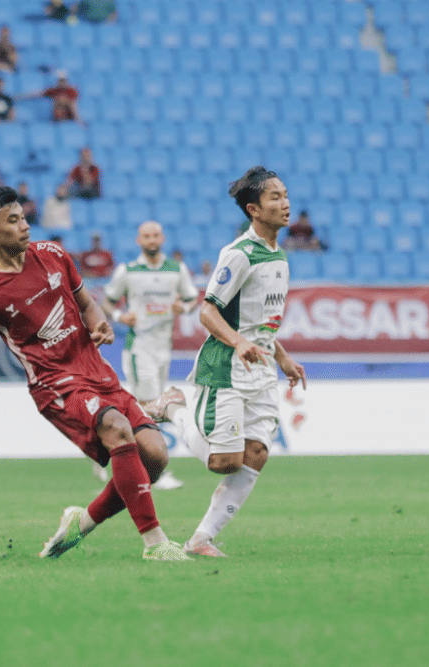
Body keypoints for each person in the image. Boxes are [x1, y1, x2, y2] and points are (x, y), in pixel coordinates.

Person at [0, 185, 190, 561]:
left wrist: (99, 324)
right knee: (117, 429)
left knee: (155, 455)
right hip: (55, 384)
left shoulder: (53, 254)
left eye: (23, 217)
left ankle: (81, 522)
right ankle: (156, 544)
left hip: (95, 371)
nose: (25, 226)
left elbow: (88, 304)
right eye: (13, 220)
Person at [156, 166, 307, 558]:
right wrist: (238, 342)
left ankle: (200, 540)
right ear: (254, 209)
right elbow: (207, 312)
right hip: (225, 364)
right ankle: (173, 408)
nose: (285, 203)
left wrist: (284, 358)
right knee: (224, 462)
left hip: (261, 367)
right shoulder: (239, 254)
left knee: (256, 454)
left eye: (285, 194)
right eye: (275, 197)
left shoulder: (280, 257)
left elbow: (264, 324)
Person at [99, 221, 200, 490]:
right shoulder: (128, 271)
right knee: (149, 407)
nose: (151, 240)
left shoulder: (176, 270)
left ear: (163, 238)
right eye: (146, 236)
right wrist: (121, 316)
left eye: (155, 235)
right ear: (138, 240)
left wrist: (184, 308)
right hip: (139, 346)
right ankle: (153, 471)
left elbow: (193, 300)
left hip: (163, 347)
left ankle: (108, 450)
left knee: (147, 407)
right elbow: (107, 301)